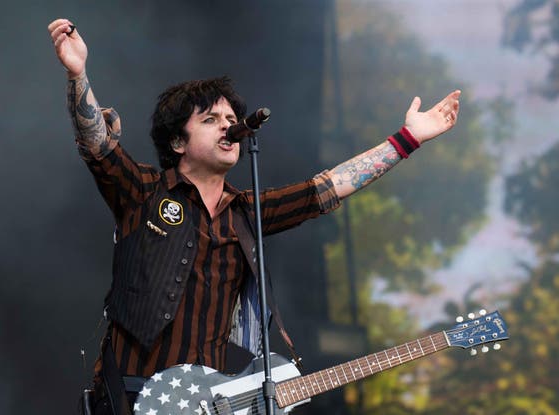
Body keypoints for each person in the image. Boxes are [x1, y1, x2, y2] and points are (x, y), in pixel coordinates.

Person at [48, 18, 460, 415]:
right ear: (177, 141)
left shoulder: (246, 213)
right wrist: (77, 74)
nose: (228, 128)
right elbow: (98, 145)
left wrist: (406, 140)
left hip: (204, 405)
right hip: (128, 398)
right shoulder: (143, 192)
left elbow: (327, 188)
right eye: (211, 120)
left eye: (231, 120)